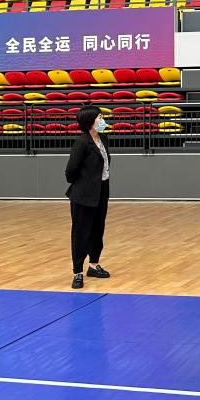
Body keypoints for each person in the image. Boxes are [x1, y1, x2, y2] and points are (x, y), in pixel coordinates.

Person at [65, 106, 112, 289]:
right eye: (99, 117)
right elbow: (70, 171)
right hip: (83, 194)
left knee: (97, 230)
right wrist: (83, 184)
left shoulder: (104, 139)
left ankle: (93, 265)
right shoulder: (81, 143)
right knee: (81, 233)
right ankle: (77, 272)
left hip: (102, 190)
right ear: (90, 121)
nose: (102, 120)